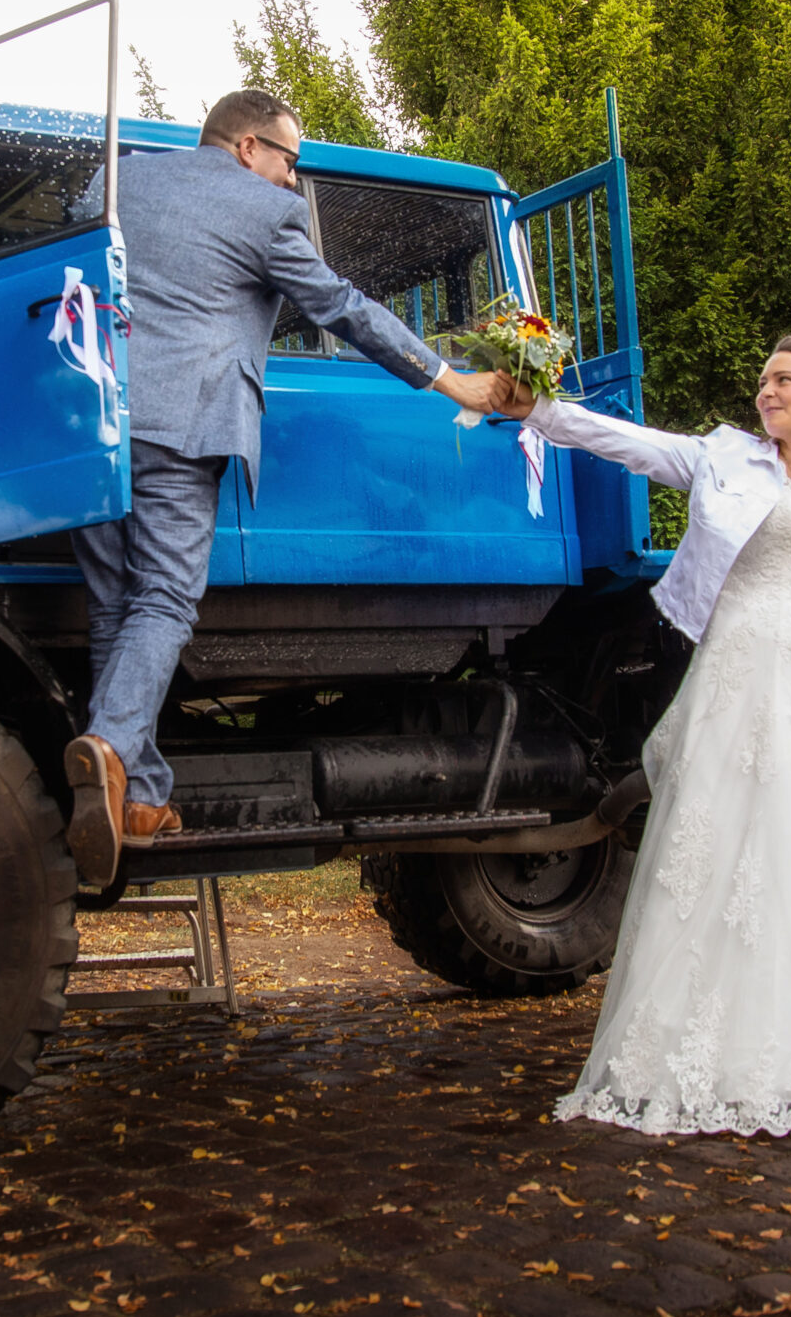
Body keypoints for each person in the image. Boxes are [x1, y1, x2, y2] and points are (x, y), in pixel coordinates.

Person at [489, 339, 791, 1139]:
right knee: (734, 855)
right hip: (745, 678)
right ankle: (715, 1052)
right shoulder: (728, 460)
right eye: (761, 379)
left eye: (782, 379)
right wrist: (541, 412)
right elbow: (631, 444)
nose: (765, 390)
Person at [64, 89, 497, 885]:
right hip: (179, 423)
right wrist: (453, 382)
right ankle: (110, 748)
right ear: (245, 146)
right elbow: (344, 309)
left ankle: (138, 796)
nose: (294, 182)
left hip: (85, 420)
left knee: (116, 608)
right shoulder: (265, 215)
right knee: (165, 599)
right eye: (289, 160)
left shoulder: (116, 183)